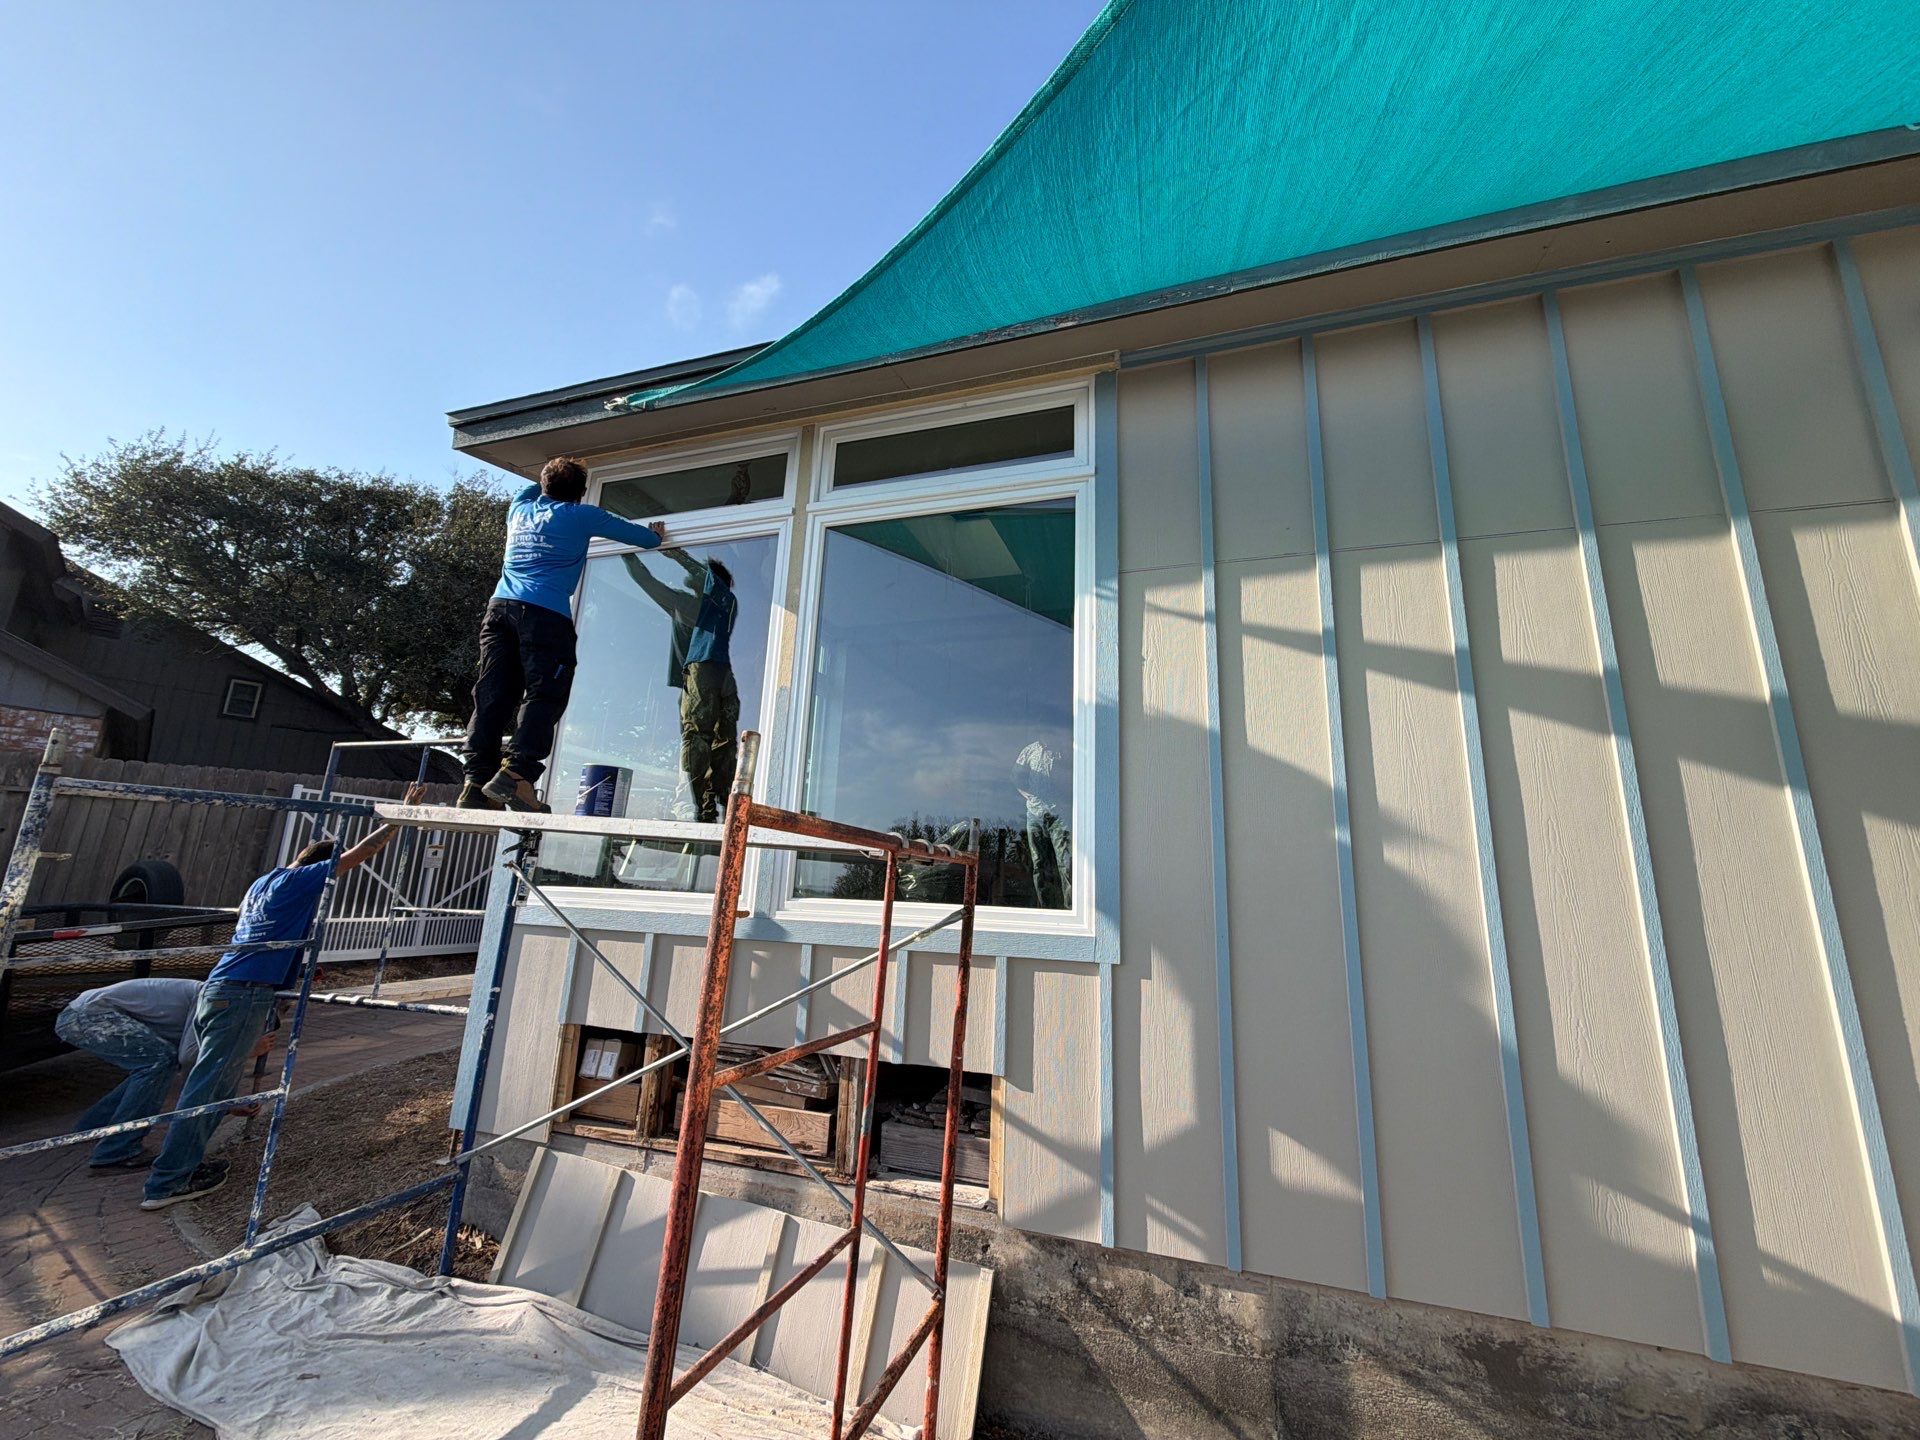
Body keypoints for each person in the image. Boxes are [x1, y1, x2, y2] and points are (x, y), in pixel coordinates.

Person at [138, 783, 425, 1210]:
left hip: (221, 987)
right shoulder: (299, 882)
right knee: (206, 1088)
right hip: (245, 993)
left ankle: (183, 1167)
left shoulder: (264, 882)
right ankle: (167, 1182)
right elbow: (360, 854)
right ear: (319, 868)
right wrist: (399, 818)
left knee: (211, 1084)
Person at [461, 456, 668, 812]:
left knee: (492, 694)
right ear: (582, 492)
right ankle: (517, 774)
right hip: (545, 616)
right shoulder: (582, 515)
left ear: (544, 484)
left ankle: (475, 783)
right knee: (545, 693)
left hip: (499, 612)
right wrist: (656, 534)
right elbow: (645, 539)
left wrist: (553, 467)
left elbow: (533, 488)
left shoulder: (519, 508)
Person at [624, 548, 740, 822]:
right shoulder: (709, 605)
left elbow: (650, 582)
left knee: (699, 737)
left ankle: (697, 807)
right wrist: (628, 553)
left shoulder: (713, 601)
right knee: (721, 742)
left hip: (704, 673)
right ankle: (715, 808)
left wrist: (670, 553)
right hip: (719, 675)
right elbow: (649, 582)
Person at [1013, 740, 1071, 909]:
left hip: (1058, 814)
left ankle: (1070, 907)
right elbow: (1015, 776)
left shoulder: (1064, 747)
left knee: (1066, 862)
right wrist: (1028, 795)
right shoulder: (1029, 750)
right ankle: (1046, 909)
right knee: (1039, 862)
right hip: (1035, 814)